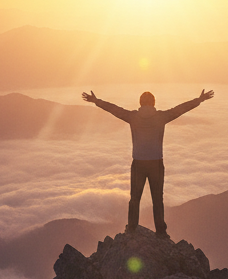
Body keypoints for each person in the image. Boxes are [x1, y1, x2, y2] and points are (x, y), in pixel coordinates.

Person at [82, 87, 214, 237]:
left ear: (140, 103)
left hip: (138, 162)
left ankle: (131, 228)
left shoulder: (132, 117)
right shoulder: (161, 117)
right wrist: (199, 100)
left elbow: (114, 109)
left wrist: (96, 101)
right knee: (157, 199)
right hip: (156, 162)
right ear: (153, 103)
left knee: (135, 198)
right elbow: (181, 109)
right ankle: (161, 232)